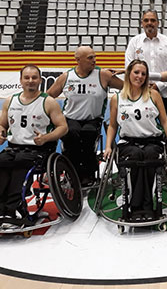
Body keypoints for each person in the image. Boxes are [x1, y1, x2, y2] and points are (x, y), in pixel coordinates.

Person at [0, 64, 68, 220]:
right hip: (13, 148)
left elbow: (63, 127)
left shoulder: (49, 102)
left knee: (20, 163)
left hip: (39, 149)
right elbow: (1, 125)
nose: (30, 80)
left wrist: (46, 137)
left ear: (40, 80)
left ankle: (15, 207)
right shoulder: (10, 101)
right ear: (20, 80)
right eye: (27, 77)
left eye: (34, 77)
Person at [104, 60, 167, 220]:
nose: (140, 76)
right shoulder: (117, 98)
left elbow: (165, 121)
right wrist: (108, 146)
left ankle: (148, 204)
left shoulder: (154, 95)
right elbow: (112, 126)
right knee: (135, 156)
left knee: (150, 156)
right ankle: (136, 205)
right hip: (128, 142)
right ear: (128, 73)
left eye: (143, 74)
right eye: (136, 72)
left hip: (153, 141)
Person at [47, 46, 123, 186]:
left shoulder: (103, 75)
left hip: (93, 119)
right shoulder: (66, 77)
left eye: (94, 57)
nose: (94, 60)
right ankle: (72, 172)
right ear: (78, 60)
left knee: (88, 135)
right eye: (90, 58)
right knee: (71, 135)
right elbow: (48, 97)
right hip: (71, 118)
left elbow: (126, 87)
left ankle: (88, 174)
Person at [125, 9, 167, 119]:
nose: (149, 23)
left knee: (165, 124)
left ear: (158, 23)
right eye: (146, 20)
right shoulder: (134, 42)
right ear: (142, 23)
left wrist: (158, 86)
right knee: (141, 124)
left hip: (164, 93)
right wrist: (142, 84)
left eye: (153, 20)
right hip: (140, 92)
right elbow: (129, 67)